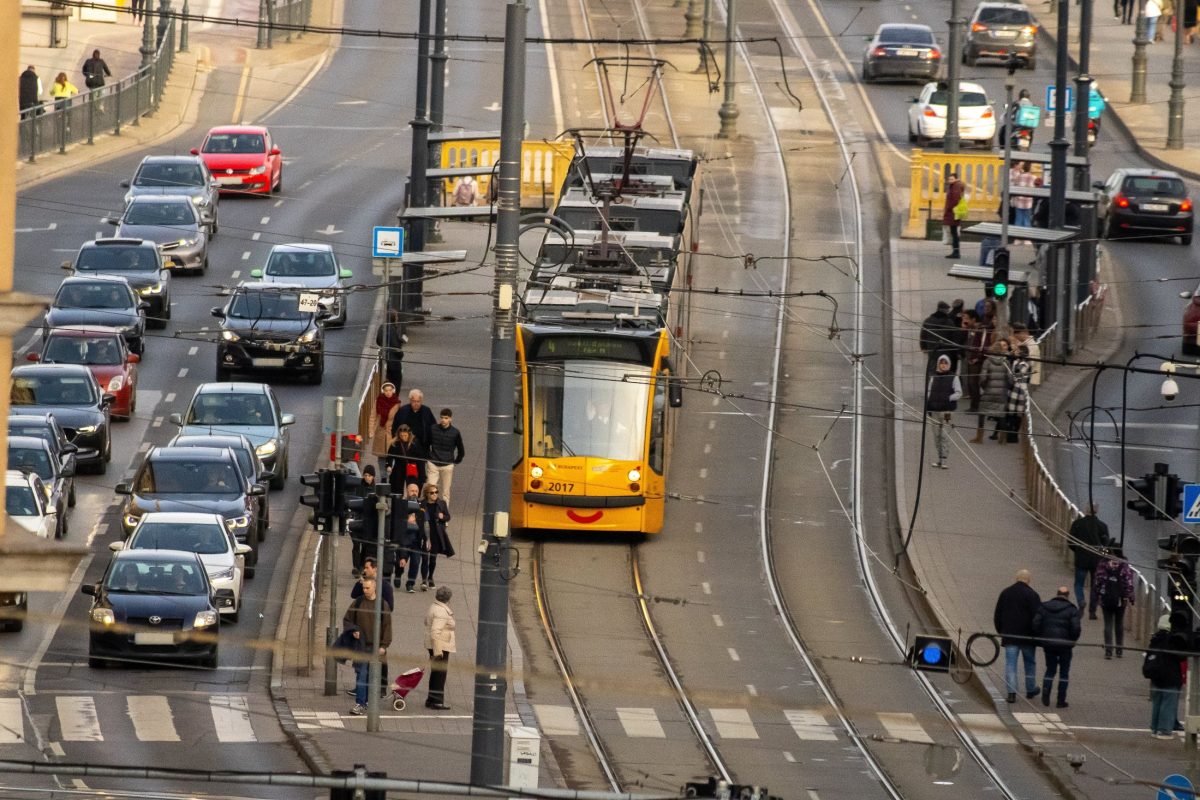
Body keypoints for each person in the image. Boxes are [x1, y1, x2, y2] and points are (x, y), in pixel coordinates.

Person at [342, 578, 391, 715]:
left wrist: (384, 646)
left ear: (374, 587)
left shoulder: (382, 605)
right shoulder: (358, 603)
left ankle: (369, 701)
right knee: (361, 675)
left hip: (376, 647)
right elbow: (347, 619)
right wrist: (353, 630)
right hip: (361, 646)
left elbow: (387, 627)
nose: (365, 591)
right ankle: (360, 703)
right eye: (363, 588)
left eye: (367, 588)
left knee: (373, 675)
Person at [993, 569, 1042, 703]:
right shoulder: (1033, 595)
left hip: (1010, 635)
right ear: (1029, 580)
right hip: (1028, 637)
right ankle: (1030, 689)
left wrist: (1001, 631)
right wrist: (1037, 635)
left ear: (1016, 578)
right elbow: (1038, 618)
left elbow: (998, 614)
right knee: (1030, 663)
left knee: (1010, 664)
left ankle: (1011, 693)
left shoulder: (1006, 593)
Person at [348, 556, 393, 695]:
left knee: (380, 660)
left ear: (375, 568)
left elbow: (390, 607)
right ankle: (360, 687)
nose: (365, 570)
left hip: (377, 628)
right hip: (362, 626)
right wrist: (360, 582)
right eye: (365, 568)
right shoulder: (363, 584)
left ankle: (381, 688)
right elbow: (353, 595)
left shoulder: (385, 586)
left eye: (367, 568)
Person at [1033, 587, 1081, 708]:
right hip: (1065, 646)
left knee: (1050, 669)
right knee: (1064, 673)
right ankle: (1061, 700)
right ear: (1068, 596)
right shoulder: (1072, 610)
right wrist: (1072, 641)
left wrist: (1041, 638)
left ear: (1057, 594)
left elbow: (1035, 624)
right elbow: (1076, 629)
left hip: (1049, 644)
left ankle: (1046, 688)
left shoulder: (1044, 607)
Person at [1146, 614, 1186, 738]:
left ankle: (1154, 728)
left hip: (1156, 675)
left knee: (1157, 702)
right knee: (1169, 702)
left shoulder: (1155, 638)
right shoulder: (1174, 639)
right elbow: (1181, 656)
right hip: (1171, 675)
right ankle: (1164, 730)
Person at [1068, 504, 1110, 617]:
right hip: (1096, 560)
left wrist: (1077, 551)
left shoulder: (1077, 524)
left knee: (1078, 584)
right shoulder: (1102, 526)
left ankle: (1081, 601)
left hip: (1081, 558)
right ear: (1096, 511)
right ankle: (1092, 611)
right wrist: (1103, 556)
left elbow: (1070, 541)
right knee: (1095, 586)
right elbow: (1106, 545)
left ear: (1086, 510)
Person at [1092, 548, 1134, 659]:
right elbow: (1128, 582)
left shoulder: (1103, 564)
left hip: (1106, 598)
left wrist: (1097, 596)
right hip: (1121, 599)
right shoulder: (1124, 565)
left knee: (1108, 624)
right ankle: (1119, 649)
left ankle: (1108, 650)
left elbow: (1098, 581)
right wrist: (1130, 596)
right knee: (1119, 623)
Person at [925, 354, 962, 470]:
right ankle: (939, 459)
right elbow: (929, 392)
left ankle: (945, 459)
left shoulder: (954, 377)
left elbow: (959, 393)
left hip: (947, 412)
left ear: (949, 364)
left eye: (945, 363)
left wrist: (948, 398)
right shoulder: (934, 377)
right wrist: (928, 406)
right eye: (941, 363)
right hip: (935, 411)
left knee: (944, 435)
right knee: (936, 436)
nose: (943, 365)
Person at [423, 585, 456, 710]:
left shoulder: (434, 607)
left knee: (436, 673)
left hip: (434, 645)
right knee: (440, 674)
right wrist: (438, 651)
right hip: (440, 646)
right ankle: (437, 701)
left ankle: (431, 699)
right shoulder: (442, 612)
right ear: (448, 598)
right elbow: (435, 632)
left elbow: (426, 622)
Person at [425, 409, 465, 505]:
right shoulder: (433, 429)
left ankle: (444, 515)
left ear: (450, 419)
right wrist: (428, 458)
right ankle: (430, 512)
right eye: (442, 417)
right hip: (433, 463)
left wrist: (454, 462)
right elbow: (426, 443)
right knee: (430, 489)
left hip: (447, 465)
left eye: (446, 418)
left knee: (446, 492)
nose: (443, 420)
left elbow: (461, 449)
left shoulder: (455, 432)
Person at [420, 484, 454, 589]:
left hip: (436, 535)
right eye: (432, 493)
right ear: (427, 494)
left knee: (433, 559)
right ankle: (424, 580)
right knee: (425, 558)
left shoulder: (441, 504)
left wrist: (442, 516)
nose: (435, 494)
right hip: (425, 535)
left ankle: (430, 577)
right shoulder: (422, 504)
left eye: (436, 492)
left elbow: (448, 517)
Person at [963, 310, 990, 422]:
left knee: (974, 383)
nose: (965, 321)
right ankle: (974, 405)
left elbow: (983, 345)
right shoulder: (970, 329)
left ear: (974, 319)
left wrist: (977, 358)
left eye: (967, 318)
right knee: (971, 382)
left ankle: (976, 406)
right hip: (970, 359)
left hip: (976, 360)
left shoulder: (980, 330)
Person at [400, 483, 427, 593]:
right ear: (407, 491)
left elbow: (426, 522)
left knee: (416, 562)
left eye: (416, 491)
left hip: (416, 540)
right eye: (412, 491)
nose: (414, 493)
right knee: (400, 562)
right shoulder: (402, 504)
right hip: (404, 540)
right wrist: (407, 519)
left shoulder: (421, 506)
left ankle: (410, 584)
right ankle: (398, 573)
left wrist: (427, 539)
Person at [386, 425, 428, 495]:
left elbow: (420, 461)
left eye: (405, 435)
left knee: (412, 491)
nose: (403, 437)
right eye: (401, 435)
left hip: (412, 470)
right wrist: (389, 466)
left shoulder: (415, 443)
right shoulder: (395, 443)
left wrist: (423, 475)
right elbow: (390, 456)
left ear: (409, 434)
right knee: (398, 491)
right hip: (398, 471)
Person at [919, 301, 958, 372]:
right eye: (947, 310)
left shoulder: (928, 321)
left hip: (932, 350)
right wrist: (955, 352)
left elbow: (923, 335)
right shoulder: (949, 322)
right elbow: (954, 337)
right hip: (946, 350)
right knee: (945, 369)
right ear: (945, 310)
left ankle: (932, 382)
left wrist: (923, 347)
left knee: (933, 369)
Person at [1003, 344, 1031, 443]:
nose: (1015, 352)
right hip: (1013, 389)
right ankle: (1009, 433)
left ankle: (1014, 435)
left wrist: (1011, 375)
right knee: (1010, 412)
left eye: (1017, 351)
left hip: (1020, 390)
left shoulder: (1025, 365)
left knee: (1017, 414)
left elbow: (1016, 375)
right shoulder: (1015, 362)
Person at [370, 382, 400, 472]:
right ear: (383, 391)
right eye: (386, 390)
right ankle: (383, 477)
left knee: (392, 454)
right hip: (380, 431)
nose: (388, 392)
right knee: (381, 456)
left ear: (393, 391)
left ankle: (390, 475)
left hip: (391, 432)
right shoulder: (378, 401)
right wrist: (371, 430)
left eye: (390, 390)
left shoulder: (397, 403)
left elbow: (399, 418)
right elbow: (373, 416)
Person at [374, 309, 405, 388]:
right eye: (396, 317)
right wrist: (401, 354)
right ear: (393, 318)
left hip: (384, 358)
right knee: (395, 383)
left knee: (386, 382)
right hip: (393, 362)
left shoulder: (382, 327)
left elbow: (378, 341)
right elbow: (395, 347)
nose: (397, 318)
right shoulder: (392, 329)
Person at [943, 172, 966, 259]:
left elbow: (955, 200)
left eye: (952, 179)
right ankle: (955, 251)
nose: (950, 181)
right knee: (954, 232)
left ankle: (956, 252)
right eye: (949, 179)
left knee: (954, 233)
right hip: (954, 213)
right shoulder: (955, 186)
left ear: (956, 179)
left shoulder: (956, 186)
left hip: (953, 213)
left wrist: (949, 208)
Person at [1010, 162, 1036, 230]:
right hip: (1028, 202)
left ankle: (1017, 236)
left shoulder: (1019, 176)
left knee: (1018, 219)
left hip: (1019, 201)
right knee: (1027, 220)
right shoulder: (1033, 177)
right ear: (1030, 168)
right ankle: (1026, 237)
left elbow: (1015, 184)